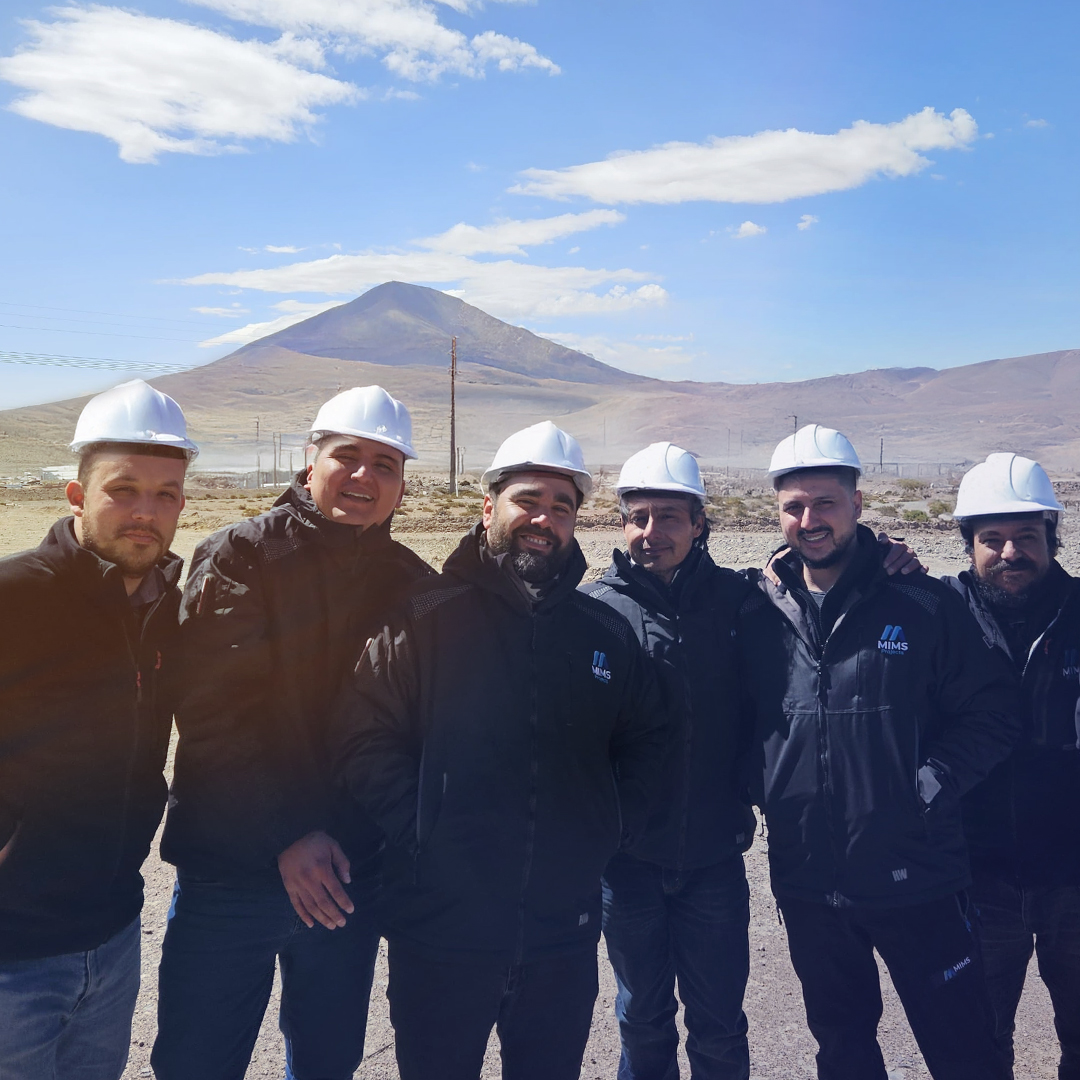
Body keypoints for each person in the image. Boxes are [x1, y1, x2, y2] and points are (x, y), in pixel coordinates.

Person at [332, 420, 668, 1080]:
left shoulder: (602, 632)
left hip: (561, 937)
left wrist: (606, 827)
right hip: (441, 930)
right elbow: (363, 735)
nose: (544, 519)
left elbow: (648, 738)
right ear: (489, 508)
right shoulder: (423, 617)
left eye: (561, 507)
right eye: (527, 501)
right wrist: (423, 830)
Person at [152, 386, 432, 1080]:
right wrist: (289, 833)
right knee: (197, 1061)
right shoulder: (239, 556)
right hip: (232, 872)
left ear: (401, 484)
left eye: (386, 464)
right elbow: (214, 713)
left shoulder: (410, 583)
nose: (364, 476)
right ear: (310, 460)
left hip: (346, 874)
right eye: (347, 456)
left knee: (327, 1059)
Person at [737, 423, 1019, 1080]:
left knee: (964, 1051)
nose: (810, 520)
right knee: (842, 1050)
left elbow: (994, 711)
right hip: (809, 882)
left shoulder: (924, 603)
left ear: (857, 505)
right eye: (794, 507)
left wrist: (933, 780)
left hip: (917, 875)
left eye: (826, 503)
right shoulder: (755, 610)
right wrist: (762, 784)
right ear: (776, 512)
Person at [0, 379, 196, 1080]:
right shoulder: (15, 596)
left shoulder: (168, 608)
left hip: (113, 938)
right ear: (77, 496)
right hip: (12, 954)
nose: (146, 511)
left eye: (166, 494)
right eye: (123, 490)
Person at [582, 442, 756, 1080]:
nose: (651, 532)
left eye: (669, 517)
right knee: (642, 1017)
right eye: (639, 517)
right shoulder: (593, 610)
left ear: (700, 523)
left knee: (720, 1026)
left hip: (714, 857)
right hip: (628, 864)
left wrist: (889, 552)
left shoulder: (742, 602)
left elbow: (818, 585)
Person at [944, 453, 1080, 1080]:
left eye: (1026, 536)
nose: (1010, 552)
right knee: (977, 1041)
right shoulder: (937, 615)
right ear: (968, 543)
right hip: (974, 874)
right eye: (991, 538)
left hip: (1074, 875)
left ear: (1051, 536)